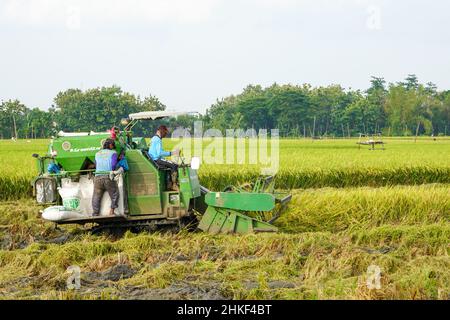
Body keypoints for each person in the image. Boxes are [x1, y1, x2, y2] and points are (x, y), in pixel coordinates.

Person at [92, 138, 119, 216]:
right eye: (113, 145)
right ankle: (112, 211)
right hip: (108, 176)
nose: (113, 147)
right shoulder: (113, 153)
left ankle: (95, 213)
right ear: (110, 145)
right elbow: (113, 164)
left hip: (97, 177)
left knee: (96, 196)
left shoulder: (97, 153)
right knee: (114, 193)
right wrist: (114, 171)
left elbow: (96, 165)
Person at [148, 125, 180, 191]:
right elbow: (159, 153)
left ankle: (169, 184)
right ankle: (174, 185)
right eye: (165, 133)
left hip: (154, 159)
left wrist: (165, 159)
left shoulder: (154, 138)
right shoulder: (157, 139)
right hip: (156, 159)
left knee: (169, 165)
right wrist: (172, 153)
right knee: (174, 165)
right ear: (161, 132)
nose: (164, 136)